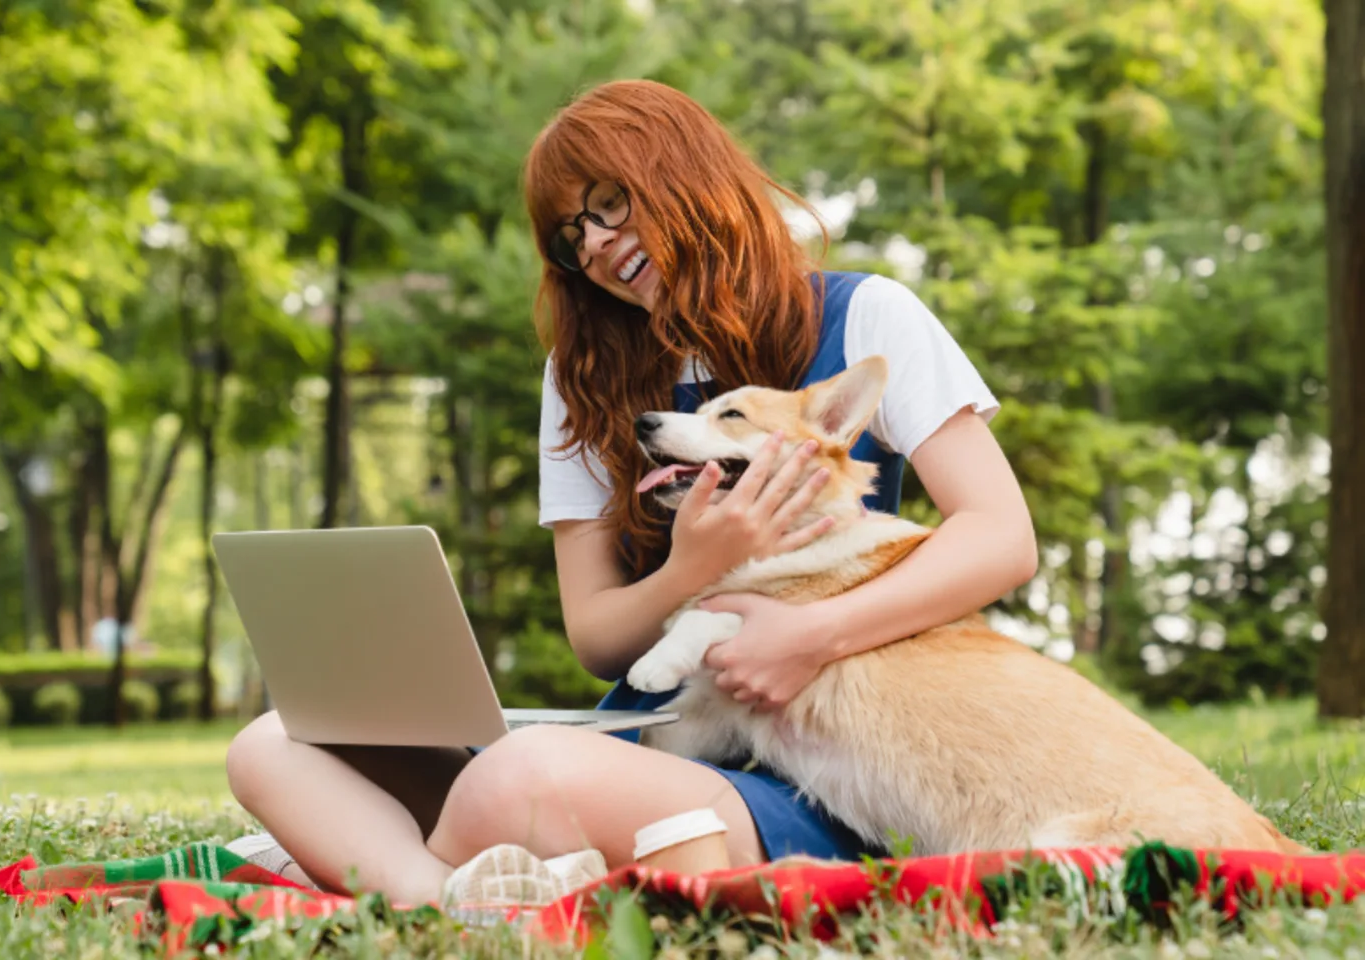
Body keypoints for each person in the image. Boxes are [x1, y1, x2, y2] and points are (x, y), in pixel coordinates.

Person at [222, 79, 1038, 905]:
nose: (600, 245)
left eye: (612, 204)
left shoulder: (864, 316)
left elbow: (1001, 536)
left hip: (808, 764)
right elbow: (599, 638)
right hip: (645, 743)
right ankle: (443, 900)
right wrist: (692, 569)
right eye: (573, 234)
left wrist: (812, 636)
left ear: (687, 176)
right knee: (269, 746)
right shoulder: (582, 377)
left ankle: (424, 861)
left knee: (512, 784)